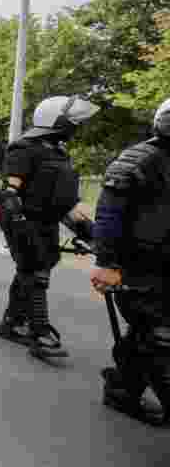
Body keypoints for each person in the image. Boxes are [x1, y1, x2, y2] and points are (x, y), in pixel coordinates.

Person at [0, 95, 99, 359]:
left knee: (36, 268)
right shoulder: (23, 148)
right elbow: (9, 194)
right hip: (22, 219)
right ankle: (39, 332)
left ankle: (12, 322)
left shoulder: (59, 153)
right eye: (72, 121)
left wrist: (89, 231)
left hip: (47, 220)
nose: (76, 126)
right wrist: (19, 224)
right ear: (55, 120)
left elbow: (64, 201)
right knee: (36, 271)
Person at [91, 96, 170, 424]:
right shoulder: (139, 159)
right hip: (138, 265)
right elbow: (109, 213)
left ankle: (123, 389)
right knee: (160, 337)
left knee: (145, 333)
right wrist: (107, 263)